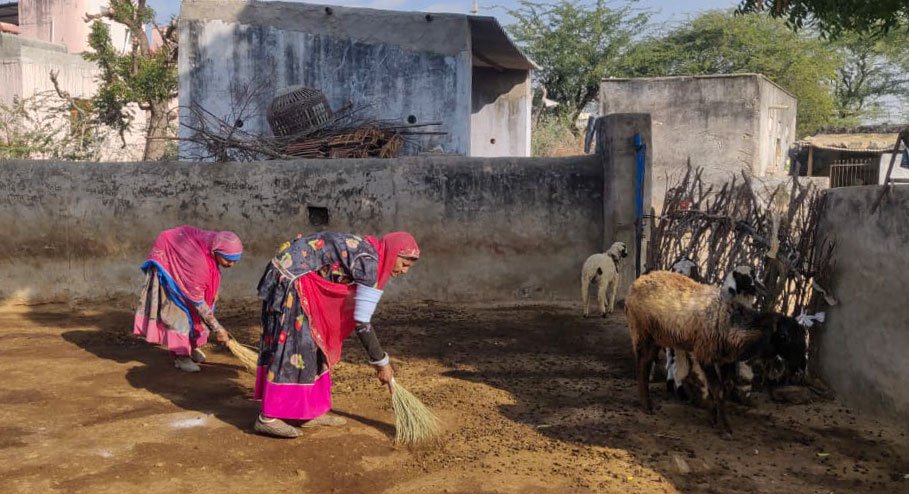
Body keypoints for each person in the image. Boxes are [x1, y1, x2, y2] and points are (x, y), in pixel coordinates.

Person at [253, 231, 419, 438]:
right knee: (296, 344)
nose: (404, 271)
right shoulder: (369, 264)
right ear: (393, 253)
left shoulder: (371, 256)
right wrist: (381, 361)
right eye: (404, 264)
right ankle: (268, 417)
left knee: (315, 342)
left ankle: (308, 410)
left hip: (303, 279)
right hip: (292, 280)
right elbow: (362, 321)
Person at [133, 225, 243, 372]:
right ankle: (181, 356)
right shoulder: (199, 265)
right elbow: (198, 303)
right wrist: (218, 329)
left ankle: (190, 348)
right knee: (180, 312)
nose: (232, 264)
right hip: (170, 267)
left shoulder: (213, 245)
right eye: (228, 260)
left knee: (196, 311)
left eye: (235, 261)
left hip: (187, 267)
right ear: (216, 252)